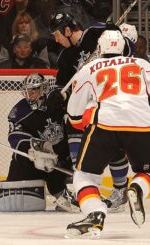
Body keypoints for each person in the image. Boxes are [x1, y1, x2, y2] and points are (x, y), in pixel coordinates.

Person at [65, 29, 150, 239]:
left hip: (104, 124)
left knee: (84, 176)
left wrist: (84, 118)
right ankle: (137, 189)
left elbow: (74, 117)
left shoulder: (89, 68)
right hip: (142, 124)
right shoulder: (144, 65)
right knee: (147, 171)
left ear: (100, 48)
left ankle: (95, 214)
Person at [49, 12, 135, 212]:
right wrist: (56, 96)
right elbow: (61, 87)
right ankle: (88, 194)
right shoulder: (65, 57)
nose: (56, 39)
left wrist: (117, 36)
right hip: (85, 107)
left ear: (67, 30)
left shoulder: (97, 31)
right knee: (76, 145)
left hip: (109, 102)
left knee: (114, 148)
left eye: (57, 34)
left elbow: (129, 50)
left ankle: (120, 192)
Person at [6, 73, 78, 212]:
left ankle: (66, 192)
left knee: (69, 203)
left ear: (43, 88)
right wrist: (32, 149)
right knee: (18, 165)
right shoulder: (19, 110)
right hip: (36, 159)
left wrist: (65, 97)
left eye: (34, 89)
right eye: (27, 90)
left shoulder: (54, 101)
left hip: (61, 159)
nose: (30, 94)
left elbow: (77, 102)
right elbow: (15, 137)